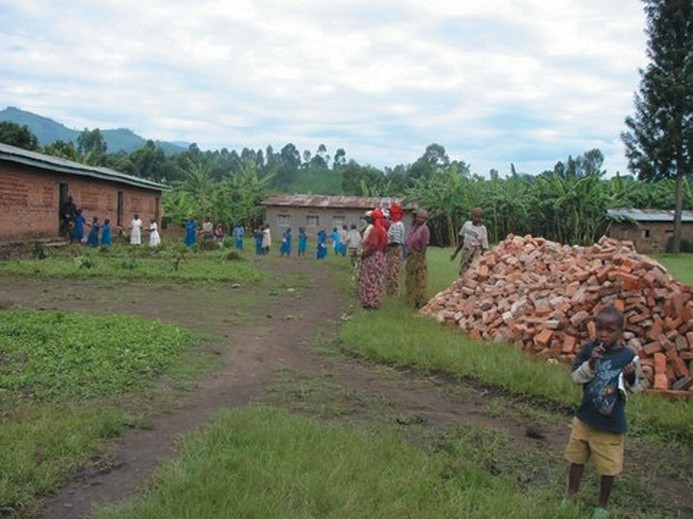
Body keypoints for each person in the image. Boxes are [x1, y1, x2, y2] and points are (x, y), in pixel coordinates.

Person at [563, 306, 647, 519]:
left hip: (610, 425)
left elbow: (637, 387)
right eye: (599, 328)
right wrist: (591, 362)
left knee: (608, 469)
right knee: (576, 459)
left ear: (621, 331)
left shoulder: (629, 356)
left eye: (609, 330)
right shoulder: (590, 349)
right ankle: (570, 496)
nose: (603, 334)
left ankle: (602, 507)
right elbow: (576, 377)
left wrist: (629, 378)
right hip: (585, 418)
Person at [358, 209, 387, 309]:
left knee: (370, 279)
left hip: (373, 257)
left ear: (373, 219)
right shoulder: (382, 230)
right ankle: (375, 301)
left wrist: (363, 254)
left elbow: (372, 245)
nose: (368, 219)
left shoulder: (375, 230)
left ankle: (370, 303)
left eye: (370, 218)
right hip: (380, 256)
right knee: (377, 280)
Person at [450, 207, 488, 276]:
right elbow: (462, 241)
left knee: (473, 271)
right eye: (475, 216)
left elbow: (484, 246)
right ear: (471, 215)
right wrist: (455, 253)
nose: (476, 219)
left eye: (478, 217)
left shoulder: (482, 229)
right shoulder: (467, 225)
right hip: (466, 251)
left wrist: (485, 258)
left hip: (476, 252)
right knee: (463, 270)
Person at [405, 209, 430, 309]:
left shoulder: (424, 229)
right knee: (411, 278)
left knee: (419, 279)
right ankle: (412, 299)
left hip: (418, 256)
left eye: (422, 218)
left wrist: (421, 261)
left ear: (425, 219)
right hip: (411, 255)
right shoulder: (415, 227)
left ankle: (420, 301)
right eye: (419, 217)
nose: (420, 219)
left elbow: (424, 247)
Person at [385, 203, 405, 296]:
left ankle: (394, 292)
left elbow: (395, 241)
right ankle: (391, 290)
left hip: (394, 249)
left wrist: (386, 244)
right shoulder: (395, 224)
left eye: (391, 212)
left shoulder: (397, 225)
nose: (389, 215)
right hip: (393, 248)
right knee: (391, 270)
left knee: (393, 270)